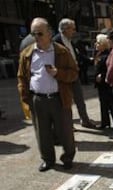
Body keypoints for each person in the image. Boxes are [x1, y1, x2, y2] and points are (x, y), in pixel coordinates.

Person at [17, 17, 77, 172]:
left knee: (65, 132)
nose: (36, 37)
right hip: (38, 99)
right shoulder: (27, 54)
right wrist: (25, 97)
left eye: (39, 34)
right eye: (33, 34)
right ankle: (48, 160)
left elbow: (74, 73)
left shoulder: (62, 51)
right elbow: (21, 77)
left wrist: (58, 73)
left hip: (59, 98)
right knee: (42, 133)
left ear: (49, 33)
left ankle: (68, 157)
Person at [54, 18, 95, 129]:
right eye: (73, 29)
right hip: (64, 76)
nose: (74, 31)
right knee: (66, 101)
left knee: (80, 99)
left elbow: (76, 55)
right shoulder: (56, 42)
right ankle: (68, 125)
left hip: (74, 74)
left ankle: (85, 120)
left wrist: (90, 60)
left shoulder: (70, 41)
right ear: (65, 29)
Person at [93, 33, 113, 130]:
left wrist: (102, 75)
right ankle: (105, 122)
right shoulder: (98, 54)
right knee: (103, 104)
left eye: (98, 43)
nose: (96, 44)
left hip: (106, 83)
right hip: (100, 84)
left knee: (110, 104)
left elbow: (110, 68)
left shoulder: (108, 54)